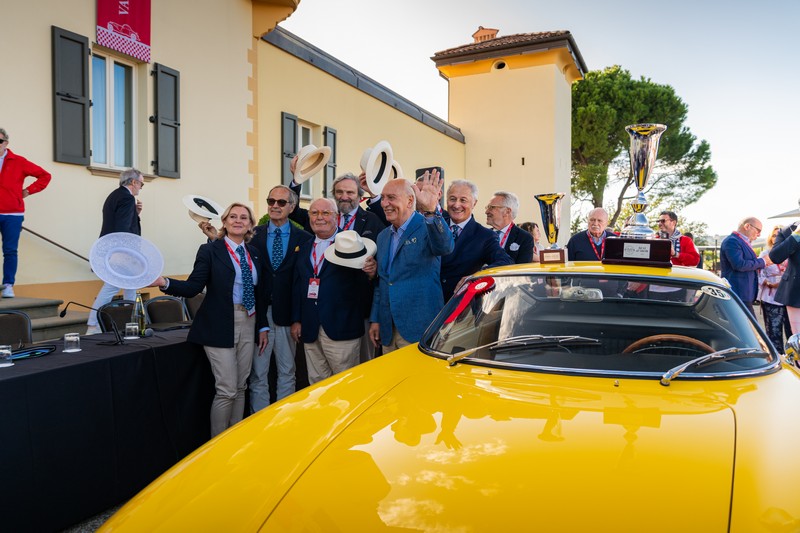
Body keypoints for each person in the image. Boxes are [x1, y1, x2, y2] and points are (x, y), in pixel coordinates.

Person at [152, 203, 270, 437]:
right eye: (232, 216)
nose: (238, 220)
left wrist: (262, 325)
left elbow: (262, 293)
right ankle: (216, 443)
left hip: (249, 321)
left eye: (243, 217)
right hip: (219, 323)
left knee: (240, 385)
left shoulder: (254, 252)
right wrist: (164, 282)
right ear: (224, 222)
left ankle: (235, 437)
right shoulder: (210, 251)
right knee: (226, 388)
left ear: (250, 224)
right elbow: (193, 286)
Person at [245, 185, 312, 411]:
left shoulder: (304, 238)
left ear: (291, 207)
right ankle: (258, 421)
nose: (275, 206)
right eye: (271, 201)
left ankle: (283, 421)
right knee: (258, 374)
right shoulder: (253, 235)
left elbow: (303, 281)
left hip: (288, 316)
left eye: (281, 202)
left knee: (287, 371)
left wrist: (298, 318)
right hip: (259, 316)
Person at [291, 199, 372, 383]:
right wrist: (296, 319)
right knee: (317, 385)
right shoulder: (303, 247)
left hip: (342, 328)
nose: (319, 218)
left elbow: (365, 283)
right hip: (310, 327)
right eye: (314, 213)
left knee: (345, 386)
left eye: (325, 213)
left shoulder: (351, 243)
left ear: (336, 217)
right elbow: (298, 286)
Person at [369, 174, 453, 351]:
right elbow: (383, 280)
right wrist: (375, 318)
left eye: (391, 198)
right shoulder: (383, 236)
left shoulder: (427, 225)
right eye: (383, 198)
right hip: (388, 329)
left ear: (409, 201)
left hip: (420, 328)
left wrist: (431, 211)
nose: (384, 203)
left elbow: (445, 247)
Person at [332, 173, 385, 361]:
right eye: (339, 191)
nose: (344, 196)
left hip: (362, 303)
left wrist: (376, 268)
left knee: (365, 363)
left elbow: (384, 255)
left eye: (349, 192)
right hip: (332, 304)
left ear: (359, 196)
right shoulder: (326, 218)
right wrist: (296, 181)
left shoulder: (373, 219)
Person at [86, 169, 144, 334]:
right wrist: (123, 253)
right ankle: (94, 324)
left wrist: (136, 213)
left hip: (114, 248)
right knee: (112, 286)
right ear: (133, 182)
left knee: (130, 286)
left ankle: (130, 322)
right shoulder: (126, 198)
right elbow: (122, 228)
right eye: (141, 183)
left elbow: (120, 221)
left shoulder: (115, 195)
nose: (141, 187)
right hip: (121, 250)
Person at [0, 127, 52, 298]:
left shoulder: (18, 161)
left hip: (12, 214)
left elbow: (45, 176)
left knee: (10, 250)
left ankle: (8, 285)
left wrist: (28, 191)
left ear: (6, 143)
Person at [440, 180, 512, 300]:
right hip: (429, 305)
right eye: (452, 199)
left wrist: (476, 276)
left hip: (461, 307)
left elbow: (506, 262)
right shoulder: (436, 225)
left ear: (474, 203)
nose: (457, 205)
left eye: (463, 200)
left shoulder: (485, 236)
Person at [720, 217, 772, 316]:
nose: (759, 234)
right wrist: (763, 261)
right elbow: (739, 265)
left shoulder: (740, 241)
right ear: (747, 226)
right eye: (758, 230)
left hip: (743, 295)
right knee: (751, 329)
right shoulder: (732, 241)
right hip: (738, 293)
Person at [759, 225, 791, 351]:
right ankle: (777, 359)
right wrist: (768, 283)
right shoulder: (765, 254)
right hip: (771, 298)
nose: (776, 238)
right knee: (773, 332)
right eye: (773, 235)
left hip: (789, 297)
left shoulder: (792, 253)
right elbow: (759, 273)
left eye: (779, 235)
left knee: (792, 332)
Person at [485, 191, 534, 264]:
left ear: (507, 211)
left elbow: (522, 270)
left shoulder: (524, 238)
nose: (486, 211)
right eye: (487, 207)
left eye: (491, 207)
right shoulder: (483, 235)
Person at [769, 222, 800, 337]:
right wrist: (796, 235)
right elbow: (775, 256)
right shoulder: (788, 230)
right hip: (796, 293)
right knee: (796, 339)